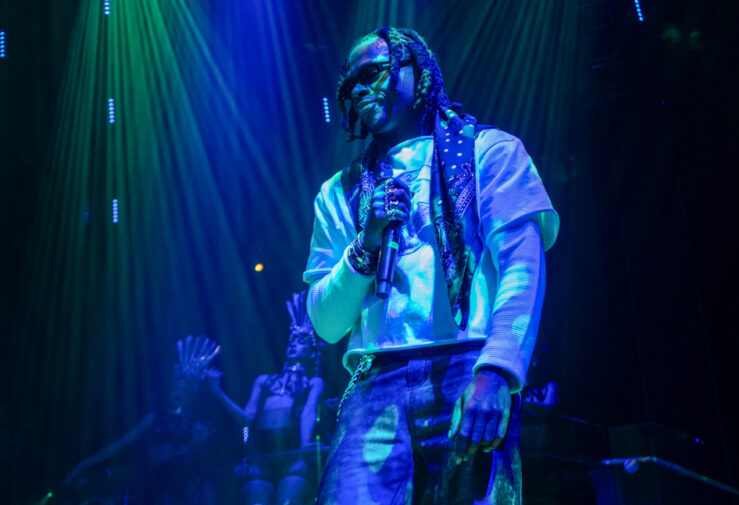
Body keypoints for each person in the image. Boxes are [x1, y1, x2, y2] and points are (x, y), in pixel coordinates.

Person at [303, 26, 559, 504]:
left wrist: (497, 371)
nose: (358, 89)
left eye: (373, 73)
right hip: (374, 379)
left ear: (417, 70)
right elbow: (327, 322)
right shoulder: (339, 191)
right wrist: (366, 244)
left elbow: (522, 268)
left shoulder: (489, 151)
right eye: (350, 84)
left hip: (469, 364)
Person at [65, 335, 222, 505]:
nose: (178, 393)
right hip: (161, 482)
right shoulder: (154, 418)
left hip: (188, 480)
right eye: (175, 389)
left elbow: (202, 455)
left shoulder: (195, 424)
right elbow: (119, 444)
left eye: (184, 391)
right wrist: (83, 464)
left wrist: (200, 440)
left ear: (192, 396)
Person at [209, 291, 326, 505]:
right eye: (291, 340)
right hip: (261, 452)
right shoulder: (264, 381)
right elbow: (246, 422)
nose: (293, 344)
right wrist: (217, 392)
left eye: (301, 341)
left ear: (311, 352)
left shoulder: (313, 383)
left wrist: (305, 443)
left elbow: (309, 411)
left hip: (293, 449)